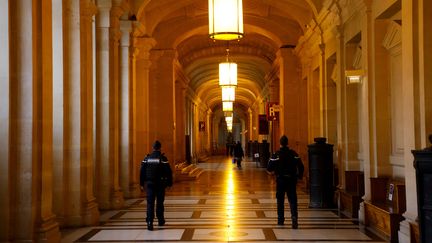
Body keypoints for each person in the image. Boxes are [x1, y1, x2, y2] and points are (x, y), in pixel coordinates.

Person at [267, 135, 304, 228]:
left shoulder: (276, 154)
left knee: (280, 200)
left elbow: (269, 167)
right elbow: (301, 166)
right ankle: (294, 218)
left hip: (281, 180)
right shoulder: (294, 154)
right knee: (293, 200)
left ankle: (280, 220)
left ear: (280, 143)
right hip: (291, 180)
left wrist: (275, 169)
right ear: (287, 143)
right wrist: (300, 176)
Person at [140, 140, 173, 230]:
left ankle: (150, 222)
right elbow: (169, 172)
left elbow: (142, 172)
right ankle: (160, 220)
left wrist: (141, 184)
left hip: (150, 184)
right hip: (160, 184)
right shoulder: (163, 159)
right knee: (159, 203)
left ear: (152, 148)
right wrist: (169, 184)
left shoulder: (147, 158)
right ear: (160, 148)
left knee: (150, 203)